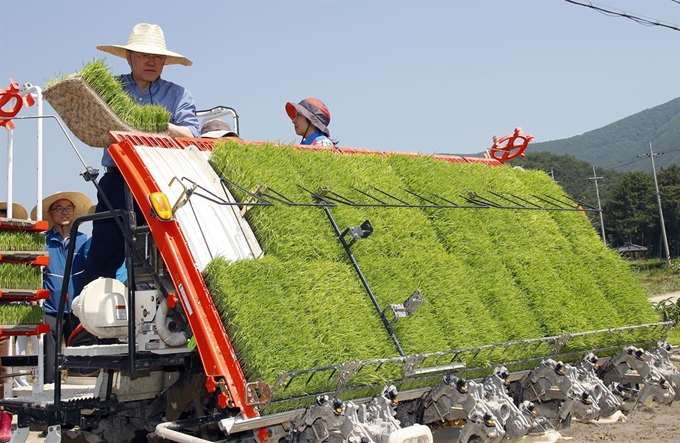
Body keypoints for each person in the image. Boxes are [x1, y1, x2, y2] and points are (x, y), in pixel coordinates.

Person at [84, 23, 200, 285]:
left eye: (158, 57)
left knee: (169, 256)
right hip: (117, 180)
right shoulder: (109, 89)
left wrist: (161, 125)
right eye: (143, 55)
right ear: (129, 57)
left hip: (162, 182)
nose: (151, 62)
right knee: (103, 253)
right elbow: (88, 117)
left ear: (165, 62)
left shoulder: (178, 94)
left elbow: (192, 135)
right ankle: (93, 320)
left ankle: (175, 317)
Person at [31, 191, 91, 384]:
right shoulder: (42, 242)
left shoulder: (84, 241)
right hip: (50, 308)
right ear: (51, 213)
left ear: (73, 212)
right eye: (59, 208)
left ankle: (78, 394)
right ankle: (48, 393)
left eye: (68, 208)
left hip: (78, 308)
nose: (64, 212)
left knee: (79, 354)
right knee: (50, 358)